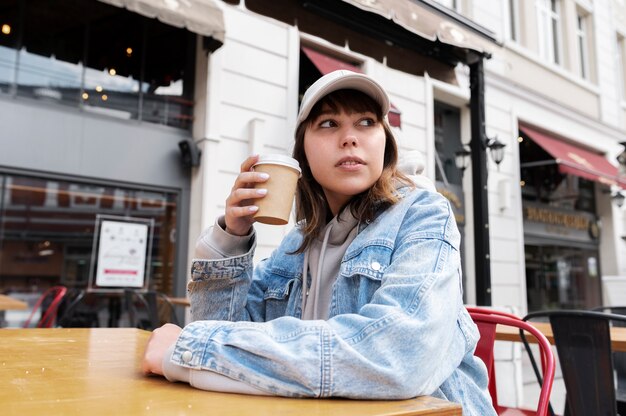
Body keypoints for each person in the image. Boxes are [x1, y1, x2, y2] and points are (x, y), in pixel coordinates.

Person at [142, 70, 495, 414]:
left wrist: (192, 349)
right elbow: (225, 330)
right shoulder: (297, 242)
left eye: (367, 122)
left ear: (385, 142)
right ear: (302, 156)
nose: (350, 137)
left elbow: (398, 356)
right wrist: (231, 238)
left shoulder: (424, 214)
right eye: (328, 123)